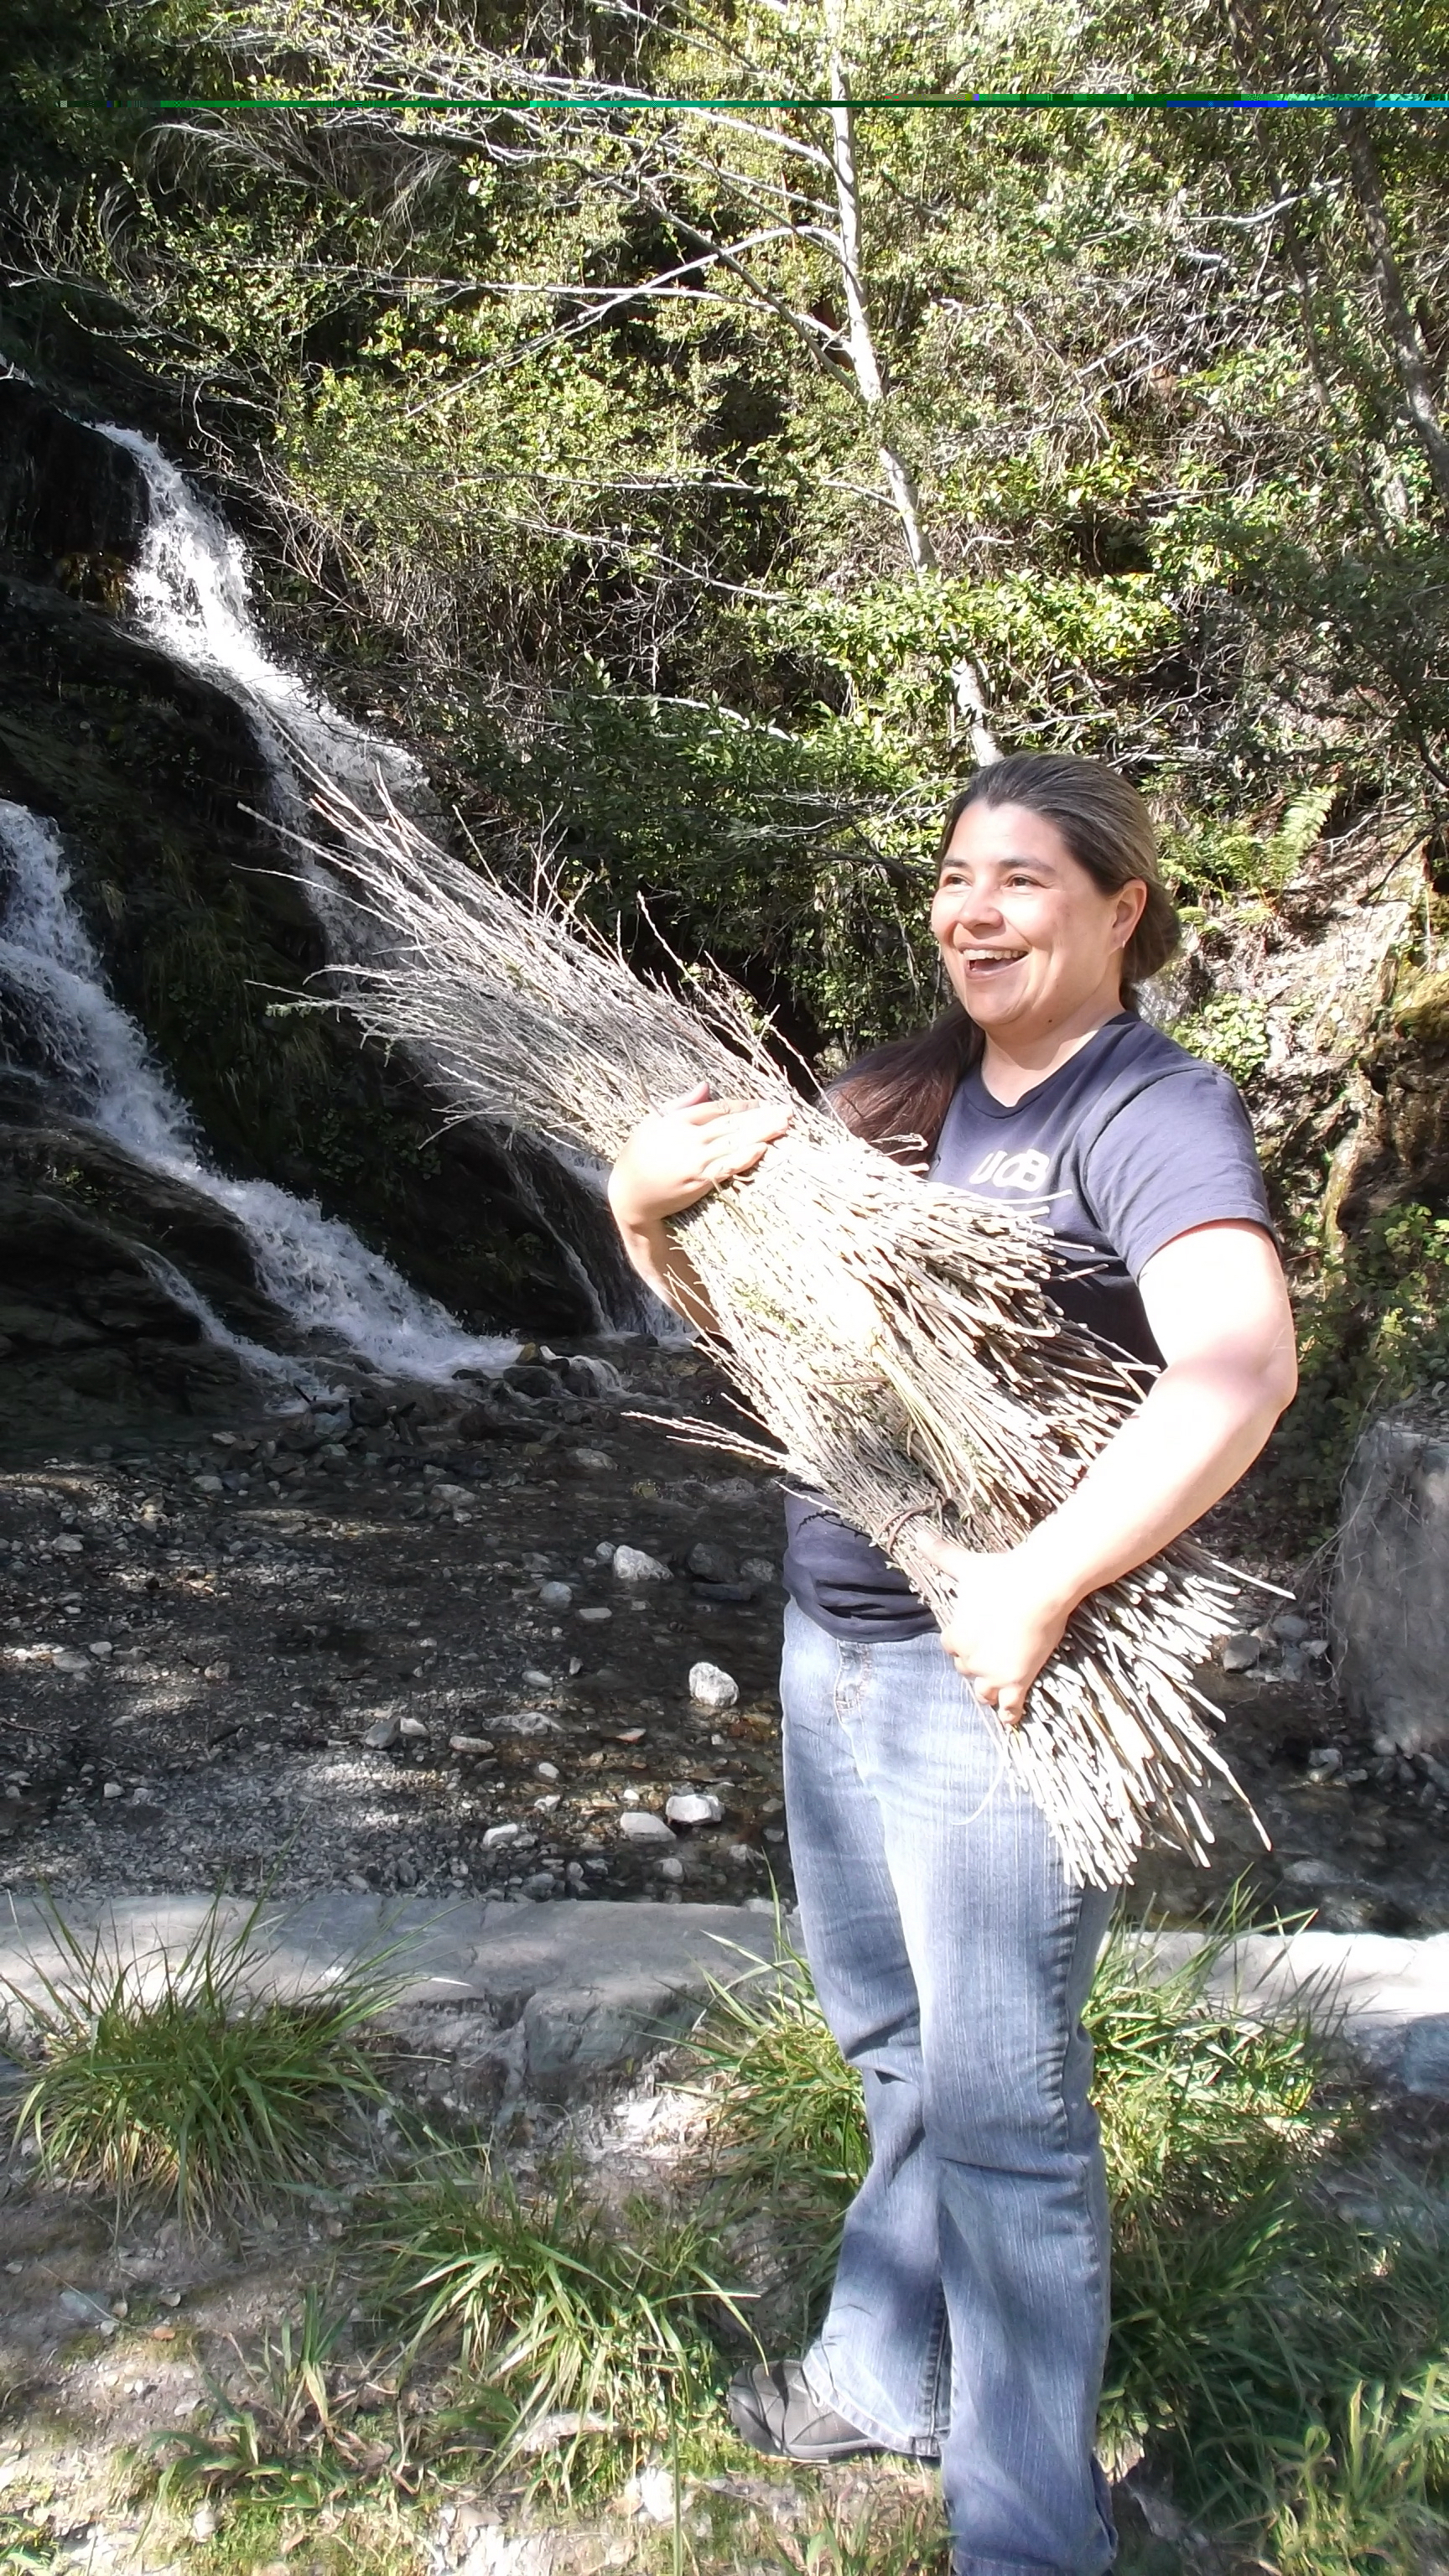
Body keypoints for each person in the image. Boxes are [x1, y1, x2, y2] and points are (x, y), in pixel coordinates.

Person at [606, 753, 1297, 2576]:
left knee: (1005, 2121)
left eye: (1020, 881)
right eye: (952, 878)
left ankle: (1026, 2533)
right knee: (898, 2053)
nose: (971, 911)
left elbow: (1241, 1366)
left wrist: (1043, 1582)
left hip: (991, 1687)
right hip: (829, 1646)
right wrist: (644, 1217)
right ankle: (875, 2366)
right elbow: (767, 1358)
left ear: (1120, 905)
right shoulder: (884, 1103)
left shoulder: (1148, 1111)